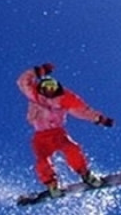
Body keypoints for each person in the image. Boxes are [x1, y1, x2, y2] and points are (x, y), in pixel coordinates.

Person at [17, 62, 114, 197]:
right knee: (42, 160)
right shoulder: (34, 95)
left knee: (72, 148)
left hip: (58, 133)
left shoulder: (64, 99)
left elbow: (83, 111)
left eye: (53, 86)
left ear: (57, 88)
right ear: (40, 87)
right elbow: (23, 81)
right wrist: (40, 71)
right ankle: (51, 183)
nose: (49, 89)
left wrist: (99, 119)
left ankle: (85, 174)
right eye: (46, 86)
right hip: (40, 136)